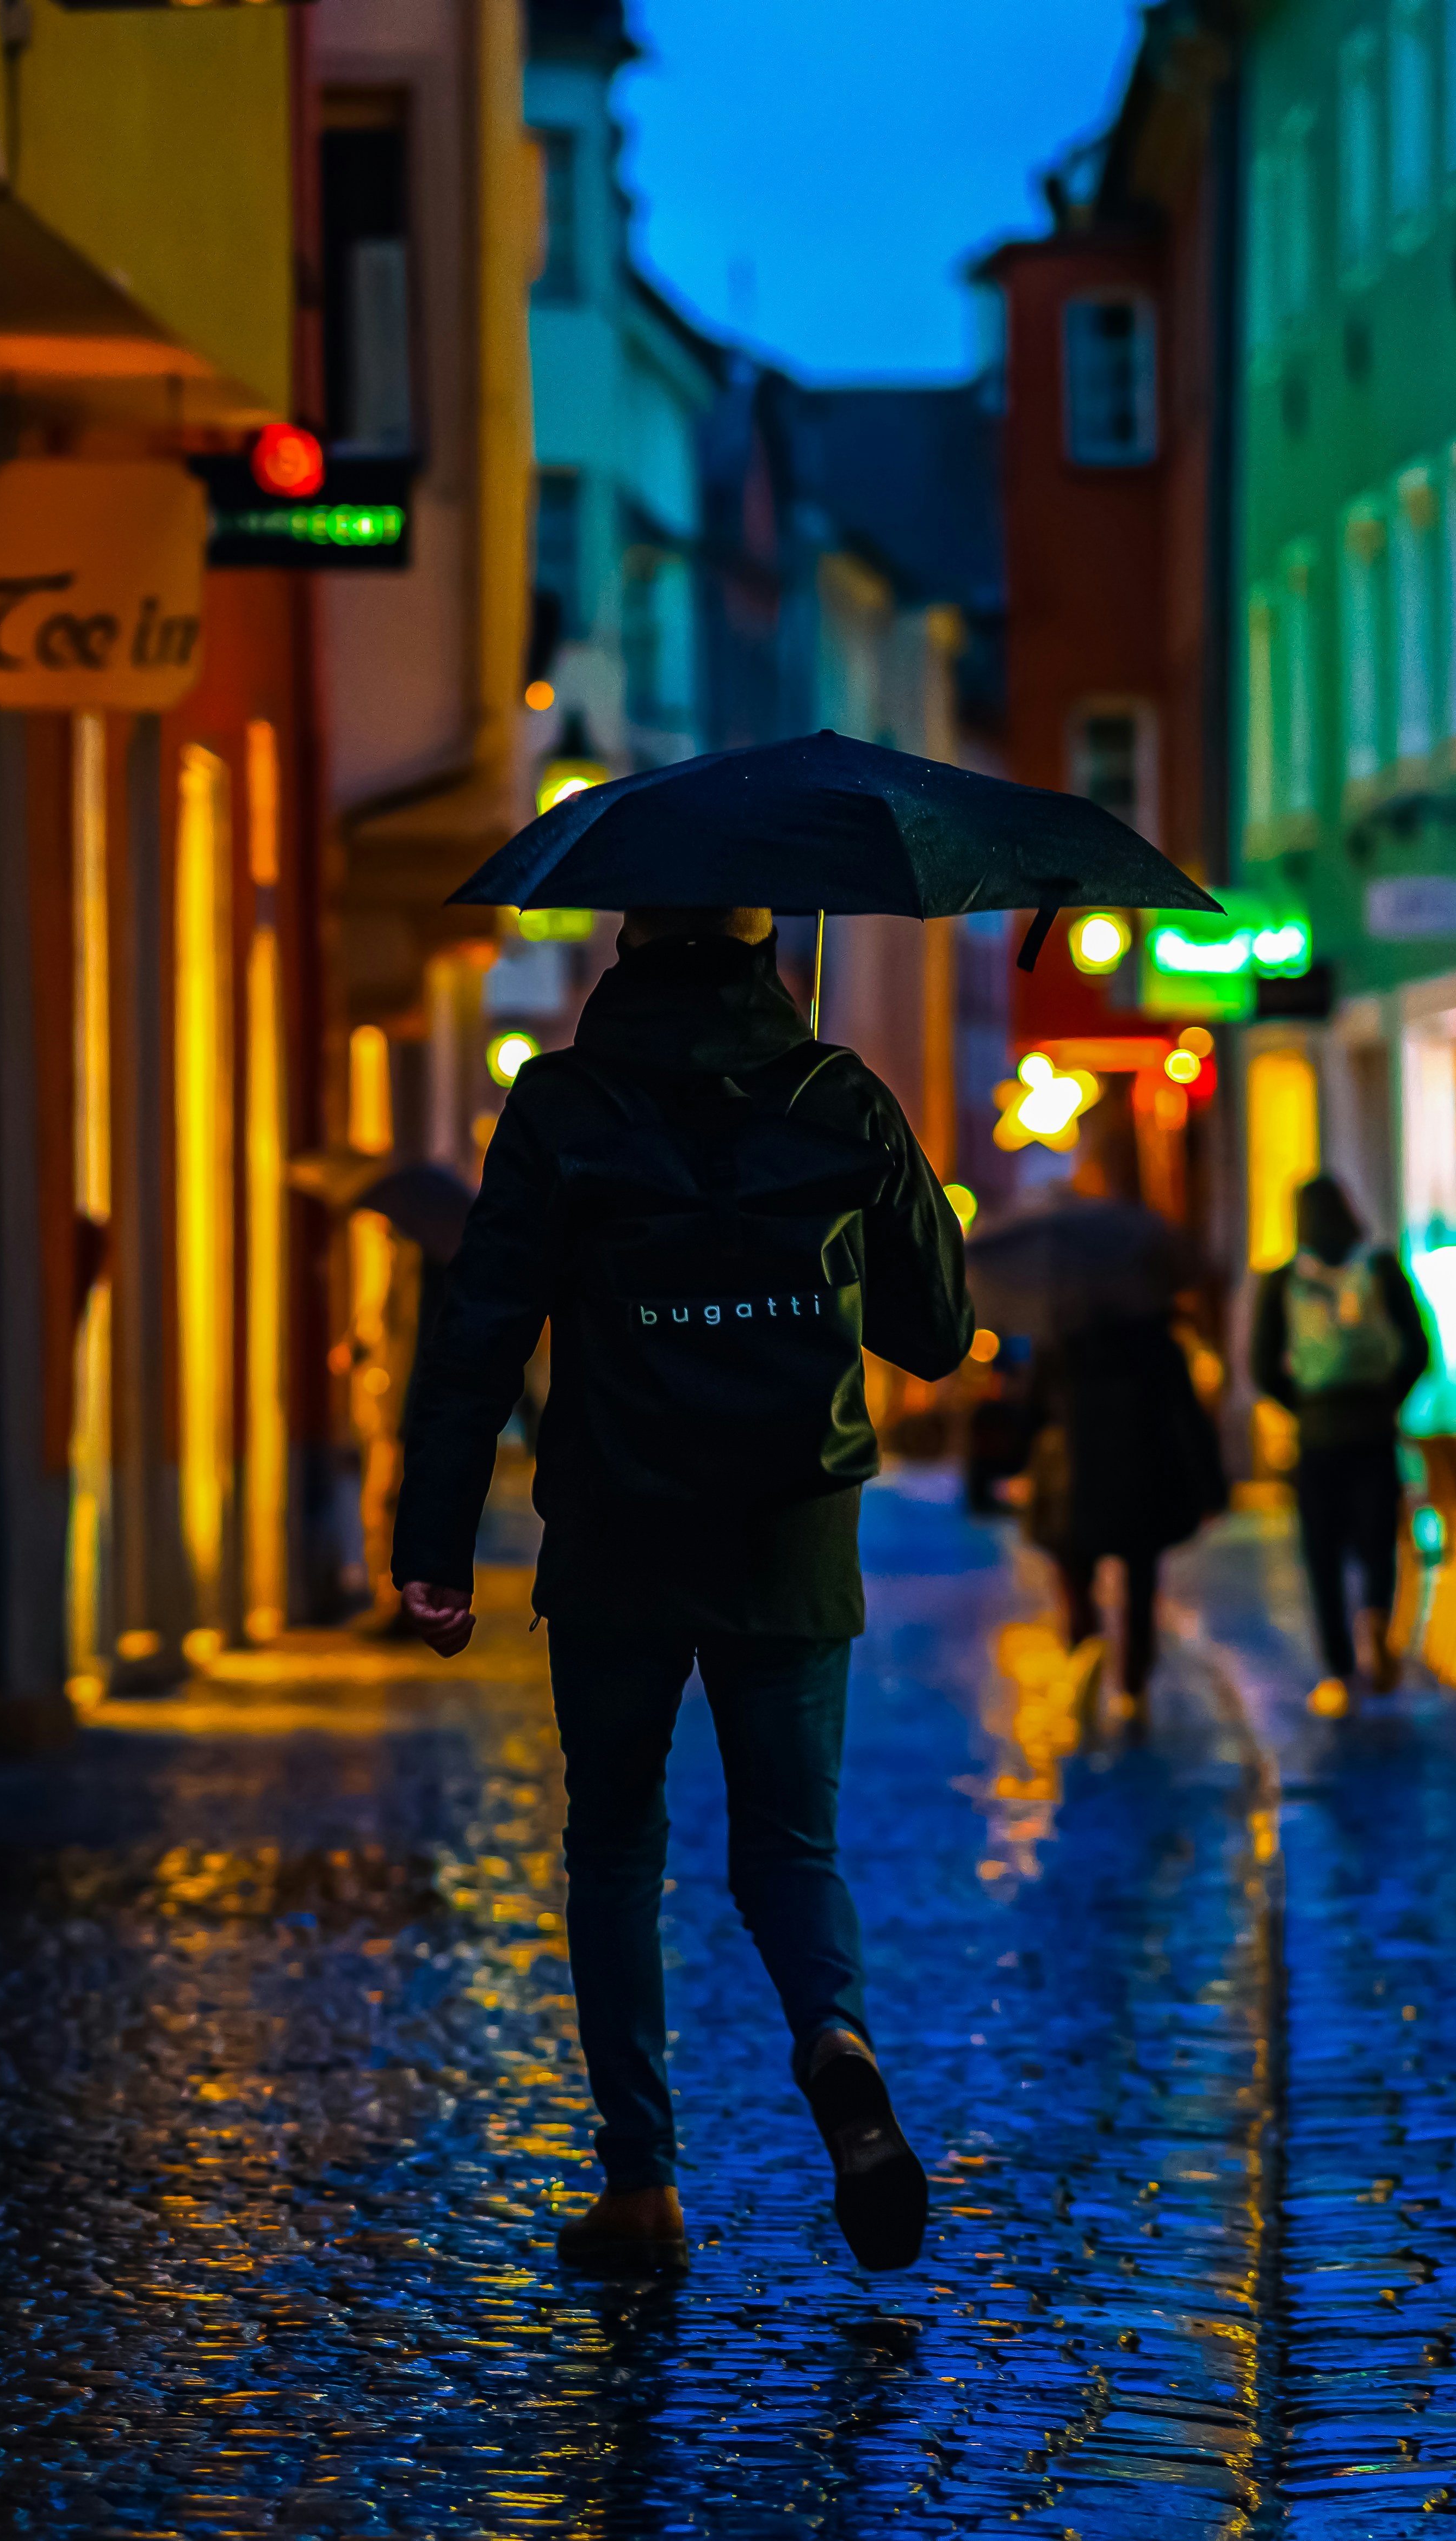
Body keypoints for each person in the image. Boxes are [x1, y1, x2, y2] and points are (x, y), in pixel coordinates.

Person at [393, 906, 972, 2280]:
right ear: (768, 939)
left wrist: (434, 1535)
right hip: (791, 1528)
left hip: (617, 1527)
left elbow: (481, 1327)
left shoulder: (563, 1105)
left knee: (614, 1848)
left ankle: (643, 2185)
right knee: (789, 1847)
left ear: (628, 939)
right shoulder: (838, 1095)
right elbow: (935, 1331)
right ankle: (834, 2042)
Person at [1008, 1137, 1226, 1701]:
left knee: (1074, 1566)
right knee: (1140, 1576)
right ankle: (1134, 1680)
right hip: (1144, 1470)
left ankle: (1085, 1646)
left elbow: (1032, 1411)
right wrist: (1211, 1483)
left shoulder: (1063, 1337)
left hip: (1074, 1473)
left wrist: (1015, 1463)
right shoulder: (1158, 1337)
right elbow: (1187, 1411)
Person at [1248, 1174, 1432, 1715]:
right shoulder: (1380, 1268)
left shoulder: (1284, 1280)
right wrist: (1387, 1399)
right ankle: (1377, 1616)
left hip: (1318, 1433)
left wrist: (1304, 1406)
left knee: (1321, 1554)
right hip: (1373, 1425)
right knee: (1381, 1541)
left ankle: (1338, 1666)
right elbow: (1419, 1348)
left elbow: (1262, 1366)